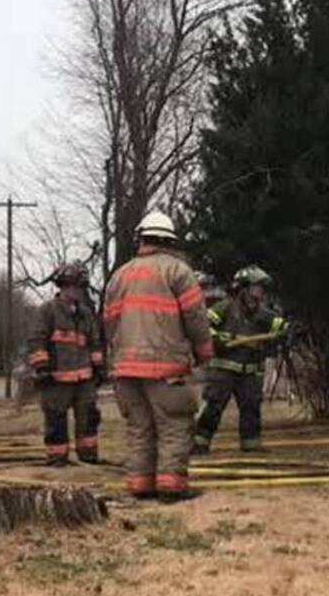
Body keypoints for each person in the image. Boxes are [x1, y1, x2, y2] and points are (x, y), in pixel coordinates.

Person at [104, 211, 213, 502]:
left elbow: (110, 322)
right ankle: (171, 487)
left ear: (142, 239)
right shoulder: (178, 271)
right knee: (174, 426)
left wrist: (117, 358)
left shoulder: (120, 275)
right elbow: (195, 317)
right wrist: (204, 352)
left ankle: (140, 485)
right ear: (169, 240)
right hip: (166, 367)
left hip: (126, 369)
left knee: (140, 428)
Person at [192, 266, 289, 455]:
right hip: (223, 371)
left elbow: (280, 326)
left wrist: (290, 330)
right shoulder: (225, 307)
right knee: (213, 406)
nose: (260, 290)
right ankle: (199, 443)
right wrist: (218, 338)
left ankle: (251, 445)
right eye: (257, 286)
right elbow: (203, 326)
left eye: (262, 287)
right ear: (243, 288)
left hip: (251, 372)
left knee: (251, 408)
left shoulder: (263, 313)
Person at [27, 263, 105, 466]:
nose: (75, 291)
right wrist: (41, 367)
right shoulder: (48, 311)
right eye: (71, 286)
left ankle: (88, 457)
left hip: (84, 380)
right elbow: (37, 340)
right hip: (56, 379)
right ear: (62, 286)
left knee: (88, 420)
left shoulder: (86, 314)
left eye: (79, 287)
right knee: (56, 421)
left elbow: (95, 342)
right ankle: (57, 458)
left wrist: (98, 367)